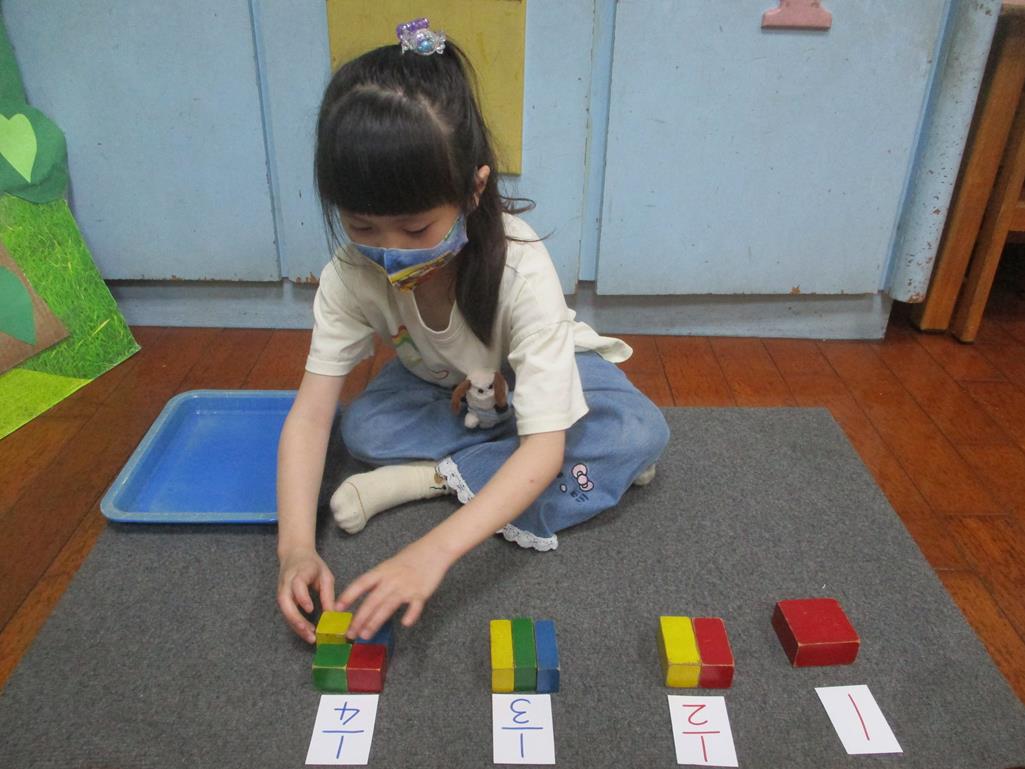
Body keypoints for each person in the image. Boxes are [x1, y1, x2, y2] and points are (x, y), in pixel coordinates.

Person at [275, 18, 669, 646]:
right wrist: (294, 548)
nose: (391, 250)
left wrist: (429, 554)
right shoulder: (350, 274)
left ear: (474, 189)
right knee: (363, 428)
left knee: (637, 431)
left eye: (415, 229)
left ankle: (433, 479)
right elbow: (311, 414)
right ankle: (502, 463)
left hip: (537, 374)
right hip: (443, 386)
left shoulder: (519, 264)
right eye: (362, 226)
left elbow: (544, 449)